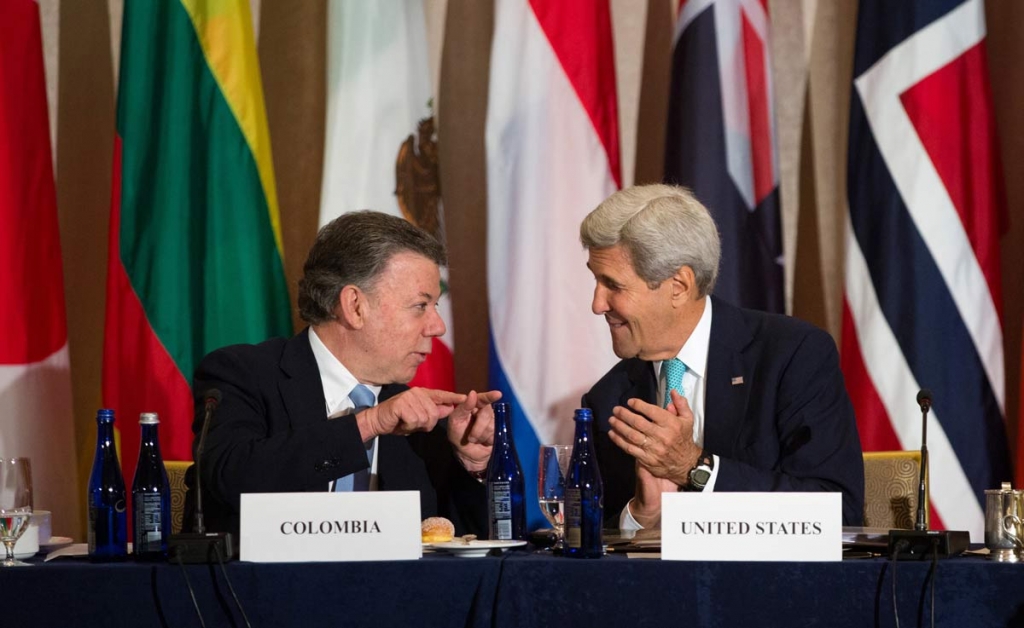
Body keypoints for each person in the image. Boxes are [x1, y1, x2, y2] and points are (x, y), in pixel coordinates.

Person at [183, 211, 498, 538]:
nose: (438, 326)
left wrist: (471, 466)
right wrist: (369, 423)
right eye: (421, 305)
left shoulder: (424, 425)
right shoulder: (244, 374)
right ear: (355, 306)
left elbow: (464, 552)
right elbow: (229, 478)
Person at [579, 184, 864, 529]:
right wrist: (641, 516)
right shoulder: (608, 399)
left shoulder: (792, 356)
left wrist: (694, 468)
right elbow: (593, 542)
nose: (597, 304)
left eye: (613, 285)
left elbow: (837, 510)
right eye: (596, 281)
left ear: (679, 286)